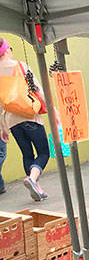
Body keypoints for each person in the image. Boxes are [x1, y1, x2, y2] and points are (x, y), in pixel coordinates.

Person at [0, 38, 51, 201]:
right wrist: (52, 110)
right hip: (29, 115)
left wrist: (2, 127)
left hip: (11, 120)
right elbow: (37, 88)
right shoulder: (20, 66)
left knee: (27, 153)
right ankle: (32, 179)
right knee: (43, 152)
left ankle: (36, 187)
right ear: (7, 50)